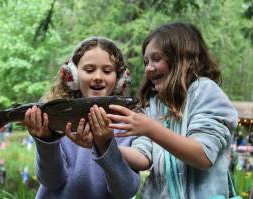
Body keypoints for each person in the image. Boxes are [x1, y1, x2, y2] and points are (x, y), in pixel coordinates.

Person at [106, 22, 238, 198]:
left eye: (156, 59)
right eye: (146, 62)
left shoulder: (206, 92)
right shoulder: (153, 104)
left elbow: (203, 156)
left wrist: (151, 128)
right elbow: (143, 157)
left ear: (182, 57)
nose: (148, 68)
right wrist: (105, 144)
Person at [24, 37, 140, 199]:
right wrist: (46, 142)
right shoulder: (58, 117)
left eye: (107, 71)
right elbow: (51, 181)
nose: (98, 76)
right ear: (73, 75)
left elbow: (125, 191)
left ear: (120, 79)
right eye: (89, 69)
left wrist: (106, 145)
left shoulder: (129, 125)